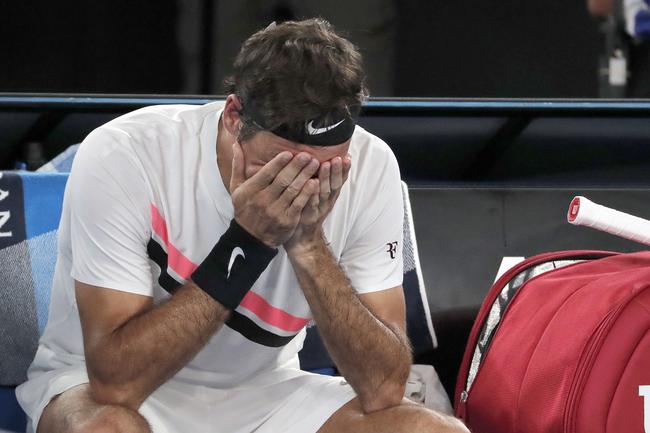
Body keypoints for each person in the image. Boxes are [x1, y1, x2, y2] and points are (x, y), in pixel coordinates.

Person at [16, 19, 468, 433]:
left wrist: (309, 245)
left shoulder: (371, 166)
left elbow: (383, 388)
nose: (300, 186)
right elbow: (116, 382)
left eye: (323, 170)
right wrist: (248, 240)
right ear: (234, 118)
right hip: (110, 391)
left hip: (268, 392)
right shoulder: (127, 154)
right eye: (280, 166)